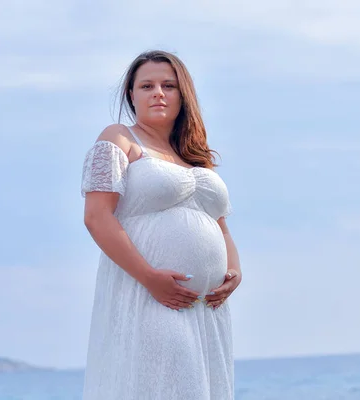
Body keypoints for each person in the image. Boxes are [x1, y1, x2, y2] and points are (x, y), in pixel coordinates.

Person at [80, 50, 242, 400]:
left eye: (169, 85)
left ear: (183, 95)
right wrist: (150, 278)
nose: (158, 92)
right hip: (151, 296)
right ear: (131, 96)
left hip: (208, 308)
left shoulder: (196, 157)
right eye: (147, 85)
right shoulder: (119, 138)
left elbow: (221, 228)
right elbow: (96, 217)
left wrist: (234, 271)